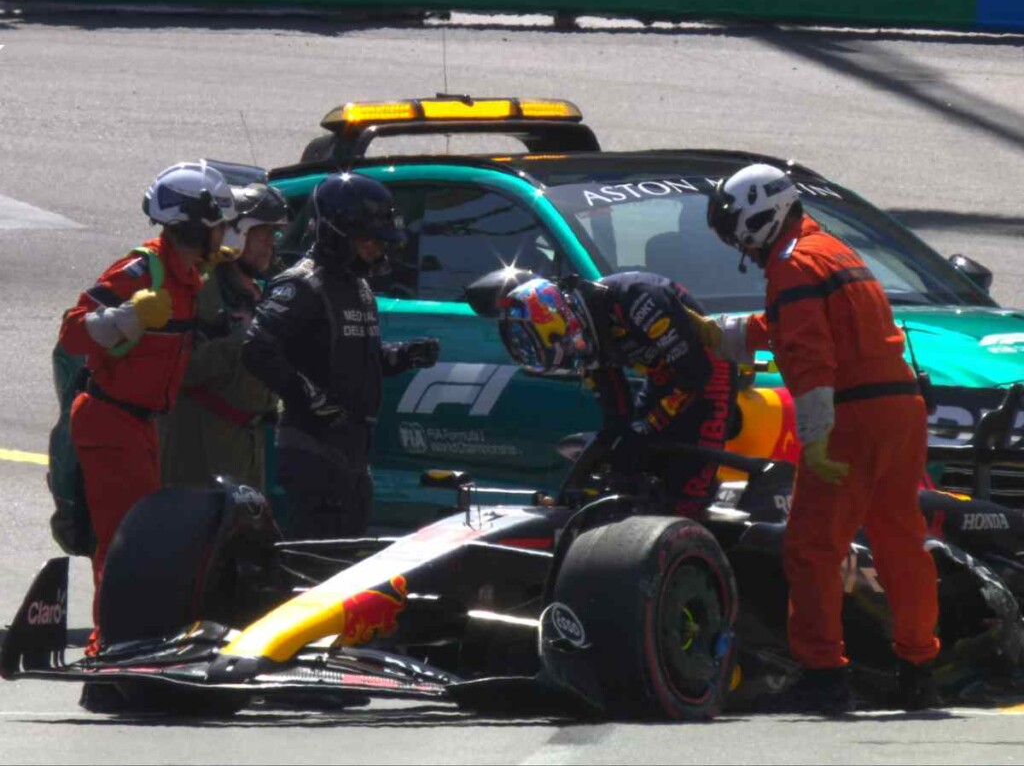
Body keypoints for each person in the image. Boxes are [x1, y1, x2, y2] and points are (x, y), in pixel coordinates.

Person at [693, 163, 940, 713]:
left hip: (852, 415)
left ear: (761, 215)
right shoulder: (832, 250)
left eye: (735, 228)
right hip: (901, 409)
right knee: (901, 543)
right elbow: (802, 325)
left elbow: (809, 356)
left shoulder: (792, 264)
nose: (736, 241)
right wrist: (726, 334)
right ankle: (918, 669)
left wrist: (817, 436)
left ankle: (824, 673)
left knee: (811, 548)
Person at [58, 160, 236, 707]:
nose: (221, 235)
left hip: (141, 426)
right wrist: (125, 318)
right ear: (189, 225)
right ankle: (105, 664)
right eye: (214, 225)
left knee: (140, 544)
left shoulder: (187, 275)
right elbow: (71, 333)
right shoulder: (141, 273)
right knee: (120, 547)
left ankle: (127, 651)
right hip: (111, 421)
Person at [242, 172, 440, 539]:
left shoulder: (359, 286)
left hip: (354, 453)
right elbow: (256, 348)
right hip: (312, 451)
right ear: (336, 234)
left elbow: (350, 358)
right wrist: (307, 397)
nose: (376, 250)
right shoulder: (302, 284)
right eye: (367, 241)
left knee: (346, 565)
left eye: (379, 242)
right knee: (317, 563)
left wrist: (402, 356)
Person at [498, 271, 738, 519]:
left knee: (686, 493)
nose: (572, 358)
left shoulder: (640, 300)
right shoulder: (583, 326)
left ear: (565, 324)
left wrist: (647, 428)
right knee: (623, 461)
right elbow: (616, 412)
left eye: (568, 350)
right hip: (662, 377)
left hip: (706, 372)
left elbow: (695, 375)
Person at [160, 183, 290, 491]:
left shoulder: (256, 290)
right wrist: (242, 340)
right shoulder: (203, 290)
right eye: (264, 234)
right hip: (202, 446)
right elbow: (182, 370)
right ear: (236, 234)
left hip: (246, 444)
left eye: (274, 234)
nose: (272, 243)